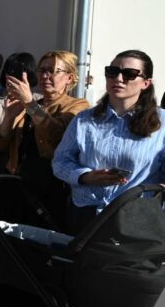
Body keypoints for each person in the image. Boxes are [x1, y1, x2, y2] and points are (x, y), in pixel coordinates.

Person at [53, 50, 165, 232]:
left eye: (130, 74)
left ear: (146, 83)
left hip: (136, 218)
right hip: (87, 213)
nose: (119, 78)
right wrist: (84, 176)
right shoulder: (84, 119)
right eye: (112, 72)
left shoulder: (162, 123)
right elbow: (60, 161)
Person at [0, 50, 89, 227]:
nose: (45, 75)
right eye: (42, 70)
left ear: (69, 77)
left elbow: (56, 134)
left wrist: (29, 104)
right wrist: (9, 117)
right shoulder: (32, 104)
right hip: (17, 185)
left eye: (53, 71)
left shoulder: (78, 105)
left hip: (49, 190)